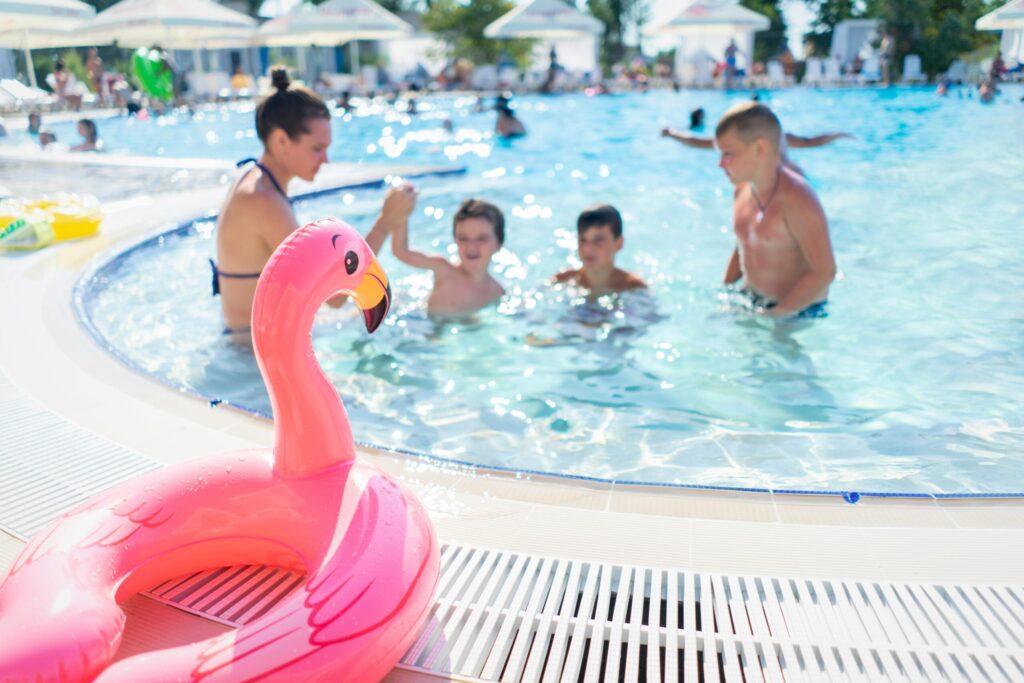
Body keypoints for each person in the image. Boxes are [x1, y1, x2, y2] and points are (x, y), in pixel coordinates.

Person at [212, 67, 413, 332]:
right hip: (250, 356)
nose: (325, 159)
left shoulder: (255, 179)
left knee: (399, 305)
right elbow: (337, 297)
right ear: (281, 140)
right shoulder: (262, 201)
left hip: (252, 341)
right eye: (317, 148)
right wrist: (386, 222)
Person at [714, 102, 836, 318]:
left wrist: (777, 315)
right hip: (752, 299)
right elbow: (744, 243)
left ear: (760, 147)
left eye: (728, 154)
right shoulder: (742, 189)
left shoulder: (797, 197)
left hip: (798, 310)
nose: (720, 164)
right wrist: (725, 289)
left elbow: (824, 271)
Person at [390, 196, 506, 317]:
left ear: (499, 243)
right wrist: (401, 212)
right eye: (463, 238)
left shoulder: (496, 291)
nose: (471, 247)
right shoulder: (444, 271)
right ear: (455, 240)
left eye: (481, 238)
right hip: (425, 324)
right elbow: (400, 251)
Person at [661, 124, 853, 178]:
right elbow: (812, 142)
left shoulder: (778, 138)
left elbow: (699, 142)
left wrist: (672, 133)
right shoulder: (780, 137)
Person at [553, 204, 646, 297]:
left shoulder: (634, 287)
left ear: (619, 243)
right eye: (583, 240)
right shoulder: (562, 280)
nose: (588, 249)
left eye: (598, 241)